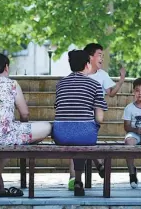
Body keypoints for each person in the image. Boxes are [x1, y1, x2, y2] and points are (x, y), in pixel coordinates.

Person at [0, 53, 51, 197]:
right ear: (6, 67)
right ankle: (21, 145)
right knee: (47, 127)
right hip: (5, 134)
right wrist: (23, 128)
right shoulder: (11, 84)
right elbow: (25, 114)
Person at [52, 50, 107, 196]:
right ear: (87, 64)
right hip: (85, 135)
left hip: (60, 133)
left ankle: (78, 181)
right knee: (83, 134)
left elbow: (58, 108)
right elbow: (100, 118)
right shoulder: (94, 85)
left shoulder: (60, 84)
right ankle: (94, 168)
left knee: (79, 133)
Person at [68, 43, 125, 181]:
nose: (102, 58)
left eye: (103, 56)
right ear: (89, 58)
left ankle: (75, 178)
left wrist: (121, 80)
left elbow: (110, 93)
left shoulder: (102, 75)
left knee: (79, 141)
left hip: (92, 116)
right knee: (80, 142)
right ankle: (95, 165)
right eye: (99, 55)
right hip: (78, 116)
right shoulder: (77, 75)